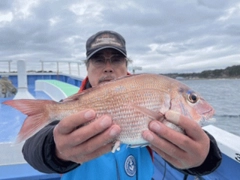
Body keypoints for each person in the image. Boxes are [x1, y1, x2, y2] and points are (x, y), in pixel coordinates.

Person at [22, 30, 222, 179]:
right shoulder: (70, 107)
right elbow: (31, 148)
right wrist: (56, 150)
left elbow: (195, 142)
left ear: (127, 65)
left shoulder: (150, 96)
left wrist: (204, 158)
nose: (108, 69)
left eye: (116, 60)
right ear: (87, 67)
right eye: (99, 60)